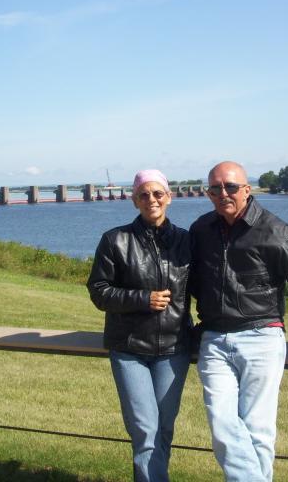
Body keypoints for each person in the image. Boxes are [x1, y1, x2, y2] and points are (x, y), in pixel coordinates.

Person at [190, 161, 288, 482]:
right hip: (214, 339)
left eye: (231, 187)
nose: (223, 194)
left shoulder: (277, 231)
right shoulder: (201, 230)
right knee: (222, 425)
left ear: (247, 190)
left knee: (257, 430)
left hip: (262, 336)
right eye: (215, 188)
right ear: (208, 194)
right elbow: (189, 283)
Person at [87, 169, 192, 482]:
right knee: (145, 429)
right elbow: (99, 290)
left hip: (174, 348)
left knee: (164, 428)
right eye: (144, 195)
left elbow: (206, 288)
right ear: (134, 200)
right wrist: (142, 299)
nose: (152, 200)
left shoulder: (187, 241)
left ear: (169, 198)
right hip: (129, 347)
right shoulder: (115, 240)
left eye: (158, 193)